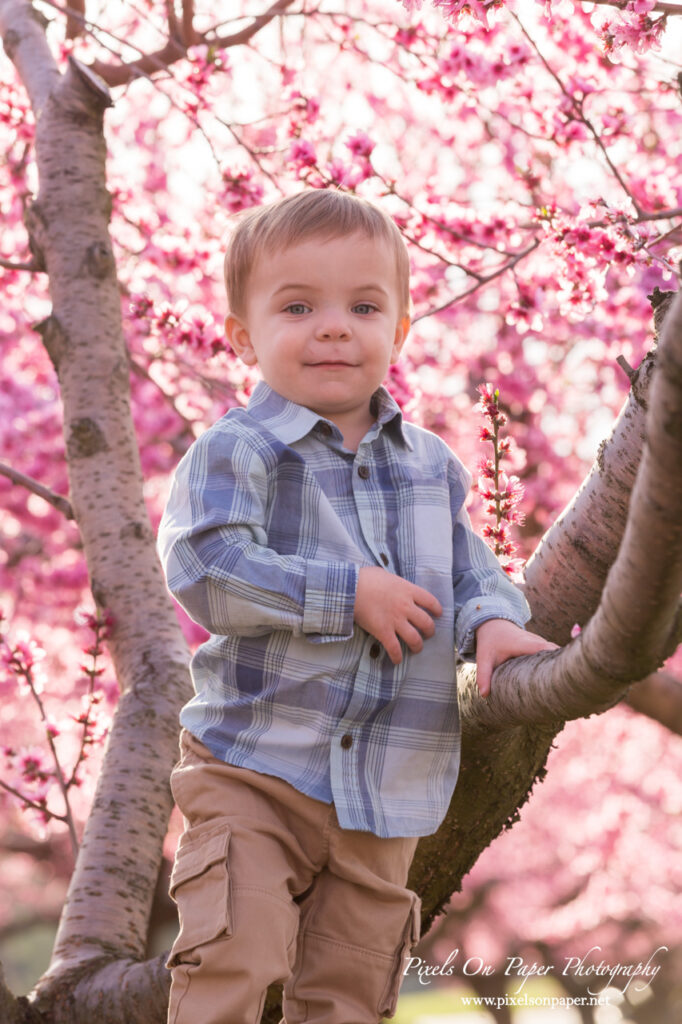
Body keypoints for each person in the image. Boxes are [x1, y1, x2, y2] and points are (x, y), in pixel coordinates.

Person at [157, 189, 557, 1024]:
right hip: (254, 766)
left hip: (386, 781)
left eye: (364, 306)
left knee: (351, 991)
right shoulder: (237, 451)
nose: (334, 326)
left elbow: (468, 567)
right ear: (243, 335)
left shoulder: (431, 466)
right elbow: (206, 564)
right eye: (298, 305)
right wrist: (347, 594)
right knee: (237, 948)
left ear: (400, 331)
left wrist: (492, 621)